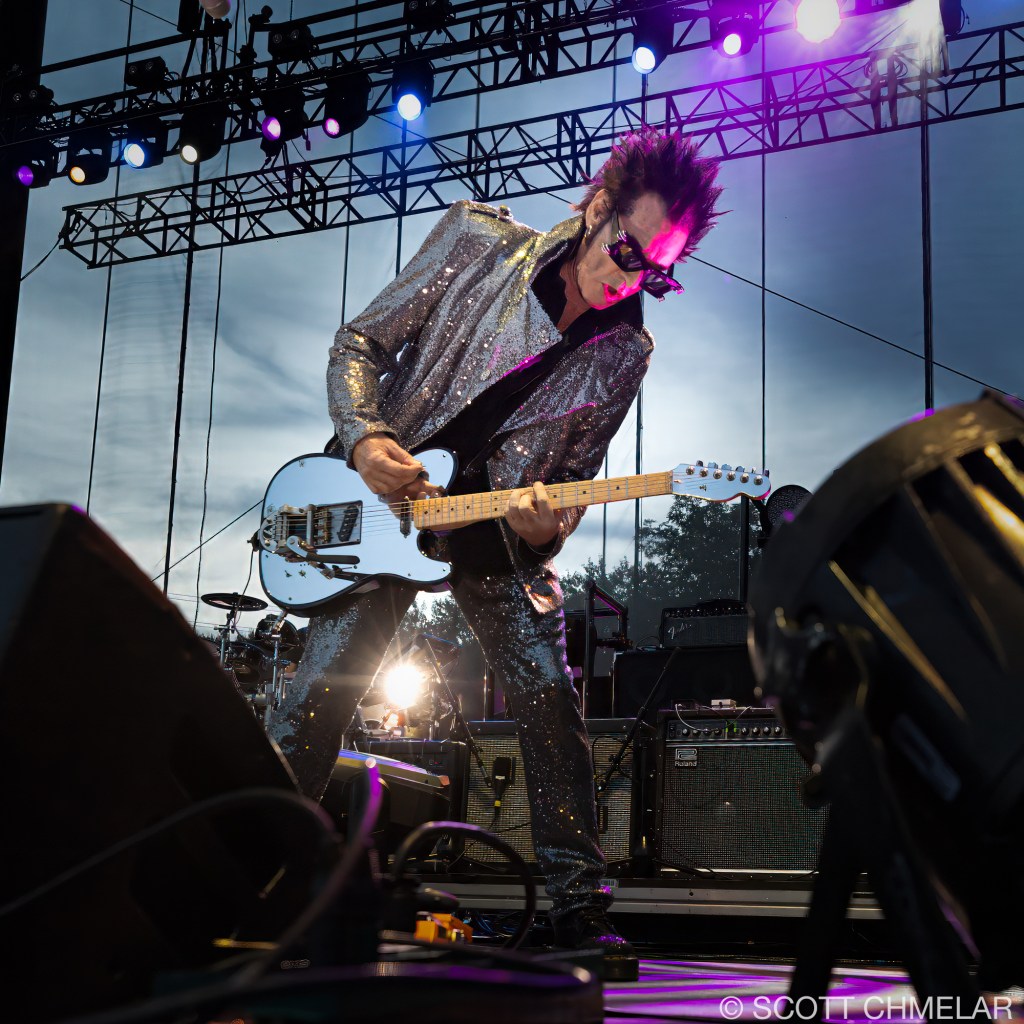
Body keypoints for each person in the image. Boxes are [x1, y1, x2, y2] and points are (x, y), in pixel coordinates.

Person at [268, 127, 723, 981]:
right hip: (386, 506)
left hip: (493, 538)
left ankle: (576, 909)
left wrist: (549, 528)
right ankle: (252, 880)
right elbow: (358, 344)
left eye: (656, 273)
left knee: (550, 698)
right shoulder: (477, 240)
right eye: (627, 251)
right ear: (598, 207)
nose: (631, 280)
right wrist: (364, 438)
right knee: (319, 693)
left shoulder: (626, 354)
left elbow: (574, 478)